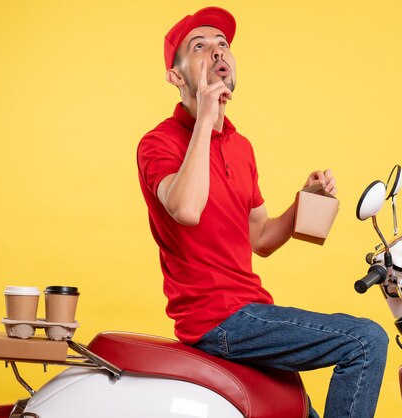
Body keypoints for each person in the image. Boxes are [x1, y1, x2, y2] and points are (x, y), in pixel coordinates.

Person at [136, 7, 388, 417]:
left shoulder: (241, 147)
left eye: (223, 45)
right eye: (199, 47)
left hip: (253, 311)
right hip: (215, 320)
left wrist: (303, 200)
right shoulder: (157, 143)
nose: (217, 52)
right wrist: (205, 118)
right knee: (364, 341)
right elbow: (185, 209)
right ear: (176, 76)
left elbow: (261, 239)